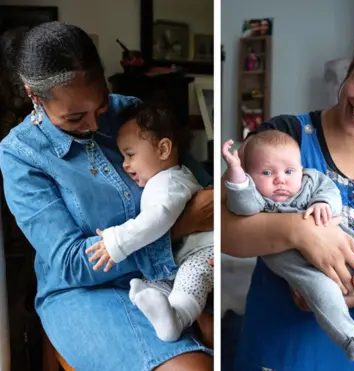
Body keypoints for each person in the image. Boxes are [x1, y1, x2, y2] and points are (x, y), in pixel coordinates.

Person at [222, 13, 354, 371]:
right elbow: (224, 227)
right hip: (287, 354)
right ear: (351, 66)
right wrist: (298, 231)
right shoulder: (283, 135)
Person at [0, 22, 214, 370]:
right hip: (85, 293)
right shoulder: (20, 154)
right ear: (34, 96)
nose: (95, 126)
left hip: (174, 274)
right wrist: (176, 226)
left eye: (100, 107)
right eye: (74, 118)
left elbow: (203, 193)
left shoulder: (131, 112)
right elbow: (71, 263)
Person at [221, 131, 354, 361]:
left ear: (301, 168)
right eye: (267, 173)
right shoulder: (259, 198)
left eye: (289, 171)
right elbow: (242, 206)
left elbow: (330, 192)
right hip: (298, 266)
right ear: (250, 175)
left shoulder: (310, 180)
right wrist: (236, 171)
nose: (280, 179)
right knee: (322, 292)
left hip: (345, 242)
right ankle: (348, 337)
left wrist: (322, 203)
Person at [85, 104, 214, 343]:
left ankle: (175, 320)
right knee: (161, 281)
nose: (125, 165)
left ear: (163, 149)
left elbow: (159, 218)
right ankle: (158, 303)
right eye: (123, 157)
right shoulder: (163, 179)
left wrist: (118, 241)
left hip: (204, 252)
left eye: (130, 155)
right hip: (183, 254)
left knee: (190, 280)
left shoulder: (171, 182)